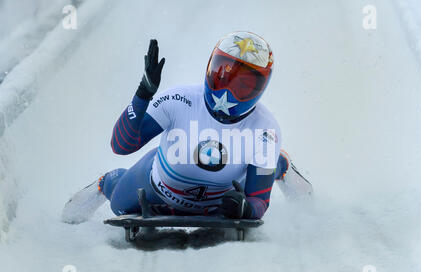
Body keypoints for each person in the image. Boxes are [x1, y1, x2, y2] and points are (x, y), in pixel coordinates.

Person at [62, 31, 312, 224]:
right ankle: (108, 182)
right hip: (157, 184)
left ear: (260, 89)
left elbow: (258, 199)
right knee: (119, 205)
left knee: (264, 161)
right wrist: (143, 94)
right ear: (210, 69)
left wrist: (247, 208)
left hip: (221, 199)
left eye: (243, 85)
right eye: (222, 75)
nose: (226, 92)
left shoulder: (265, 129)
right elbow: (121, 145)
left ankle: (279, 164)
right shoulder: (178, 99)